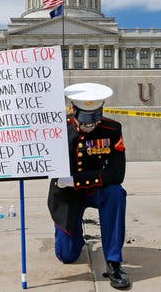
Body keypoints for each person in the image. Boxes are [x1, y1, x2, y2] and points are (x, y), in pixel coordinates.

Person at [47, 82, 130, 289]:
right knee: (66, 256)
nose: (90, 126)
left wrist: (76, 180)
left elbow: (117, 174)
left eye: (94, 120)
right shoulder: (58, 130)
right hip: (67, 195)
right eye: (85, 121)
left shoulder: (112, 129)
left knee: (116, 193)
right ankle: (76, 237)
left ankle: (113, 261)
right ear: (73, 110)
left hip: (96, 190)